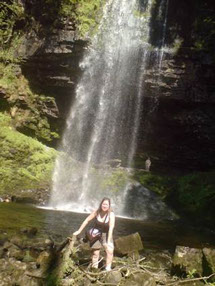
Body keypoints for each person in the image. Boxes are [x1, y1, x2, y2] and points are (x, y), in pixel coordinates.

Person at [73, 197, 115, 271]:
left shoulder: (111, 214)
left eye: (106, 204)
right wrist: (79, 231)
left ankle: (108, 269)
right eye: (103, 204)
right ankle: (94, 269)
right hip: (96, 234)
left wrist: (108, 242)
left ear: (109, 206)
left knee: (110, 251)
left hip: (106, 234)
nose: (104, 206)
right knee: (95, 253)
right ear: (101, 204)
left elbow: (111, 228)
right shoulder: (97, 212)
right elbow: (87, 220)